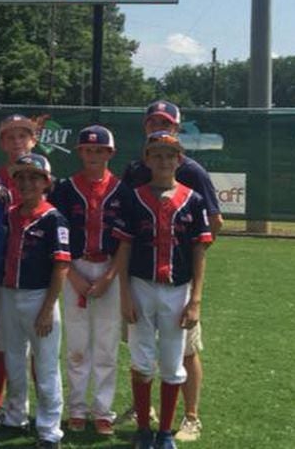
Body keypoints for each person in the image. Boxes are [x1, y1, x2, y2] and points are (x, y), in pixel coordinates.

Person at [121, 100, 222, 442]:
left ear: (179, 153)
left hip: (178, 285)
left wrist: (196, 296)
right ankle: (144, 424)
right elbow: (124, 243)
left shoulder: (192, 182)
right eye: (153, 123)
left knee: (178, 357)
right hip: (141, 282)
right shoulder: (135, 180)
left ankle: (179, 422)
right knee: (142, 357)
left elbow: (204, 238)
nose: (163, 159)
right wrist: (123, 292)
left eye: (170, 154)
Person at [51, 125, 131, 437]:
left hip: (109, 268)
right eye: (88, 149)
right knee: (77, 344)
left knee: (107, 344)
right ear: (80, 152)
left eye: (100, 150)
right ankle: (76, 408)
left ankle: (102, 410)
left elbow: (127, 240)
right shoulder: (65, 189)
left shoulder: (122, 190)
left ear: (110, 153)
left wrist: (110, 277)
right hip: (74, 268)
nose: (94, 155)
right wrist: (72, 274)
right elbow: (57, 237)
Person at [0, 153, 70, 449]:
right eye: (21, 177)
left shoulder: (54, 218)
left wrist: (48, 307)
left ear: (45, 183)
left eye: (33, 178)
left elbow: (62, 266)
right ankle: (15, 417)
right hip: (10, 295)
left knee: (46, 366)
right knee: (13, 360)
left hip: (40, 298)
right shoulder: (10, 214)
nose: (26, 183)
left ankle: (50, 431)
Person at [0, 113, 39, 428]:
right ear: (2, 142)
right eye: (10, 136)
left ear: (33, 140)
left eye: (23, 136)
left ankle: (33, 406)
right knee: (1, 340)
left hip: (35, 275)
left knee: (35, 345)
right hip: (2, 270)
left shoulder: (43, 174)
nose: (17, 142)